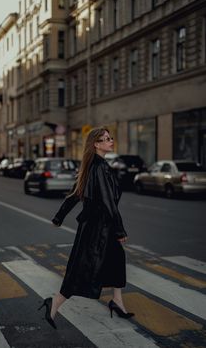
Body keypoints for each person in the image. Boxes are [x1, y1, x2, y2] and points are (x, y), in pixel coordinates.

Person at [38, 126, 134, 329]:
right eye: (106, 139)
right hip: (98, 229)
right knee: (82, 270)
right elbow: (108, 202)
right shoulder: (98, 168)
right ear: (96, 144)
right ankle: (54, 302)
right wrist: (119, 229)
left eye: (110, 137)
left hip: (98, 226)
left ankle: (117, 301)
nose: (110, 141)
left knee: (117, 259)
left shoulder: (94, 166)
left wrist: (59, 216)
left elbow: (76, 193)